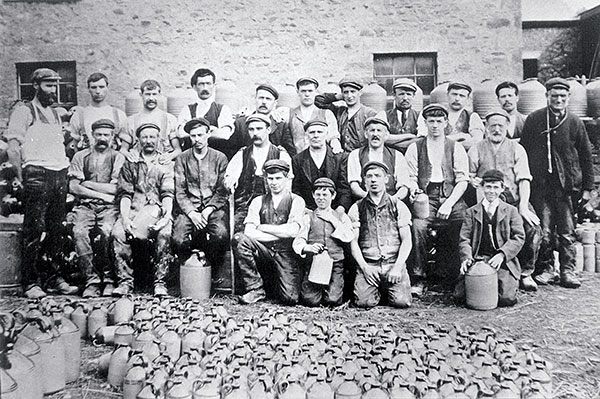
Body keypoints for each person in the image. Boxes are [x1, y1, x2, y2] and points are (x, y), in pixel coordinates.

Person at [6, 68, 78, 298]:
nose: (53, 90)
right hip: (36, 174)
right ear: (35, 85)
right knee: (34, 230)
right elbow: (13, 148)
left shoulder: (57, 114)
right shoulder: (24, 110)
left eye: (55, 85)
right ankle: (31, 282)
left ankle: (53, 277)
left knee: (57, 230)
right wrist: (19, 178)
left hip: (59, 174)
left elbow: (60, 146)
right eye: (48, 85)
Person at [520, 77, 594, 289]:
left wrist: (588, 188)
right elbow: (523, 151)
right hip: (541, 186)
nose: (558, 99)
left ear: (568, 98)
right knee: (543, 231)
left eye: (562, 96)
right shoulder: (534, 119)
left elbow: (586, 156)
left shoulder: (575, 122)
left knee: (567, 230)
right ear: (547, 97)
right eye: (554, 96)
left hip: (566, 187)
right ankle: (546, 269)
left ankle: (567, 271)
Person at [468, 109, 541, 291]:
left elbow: (524, 179)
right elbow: (468, 175)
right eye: (493, 126)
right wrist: (473, 181)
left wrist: (523, 206)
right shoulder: (476, 148)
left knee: (533, 228)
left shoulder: (517, 149)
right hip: (486, 202)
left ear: (508, 127)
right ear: (486, 127)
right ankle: (481, 268)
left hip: (513, 202)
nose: (497, 129)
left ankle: (526, 272)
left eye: (501, 126)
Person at [406, 104, 470, 296]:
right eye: (431, 121)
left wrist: (449, 203)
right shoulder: (415, 147)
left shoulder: (455, 147)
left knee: (463, 221)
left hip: (451, 195)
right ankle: (419, 277)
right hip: (427, 196)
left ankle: (452, 276)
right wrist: (415, 190)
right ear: (425, 123)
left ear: (445, 123)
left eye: (439, 121)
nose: (435, 125)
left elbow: (463, 180)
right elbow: (410, 176)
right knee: (418, 226)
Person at [112, 123, 174, 297]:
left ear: (159, 139)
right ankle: (125, 282)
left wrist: (166, 217)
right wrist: (124, 218)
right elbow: (125, 194)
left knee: (165, 233)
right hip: (134, 209)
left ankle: (160, 283)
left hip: (158, 210)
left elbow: (168, 193)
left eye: (152, 137)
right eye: (145, 137)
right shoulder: (130, 162)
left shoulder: (164, 163)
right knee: (118, 232)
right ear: (138, 140)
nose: (148, 141)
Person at [232, 159, 305, 305]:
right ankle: (255, 288)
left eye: (278, 178)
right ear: (266, 179)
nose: (274, 182)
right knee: (240, 238)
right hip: (264, 251)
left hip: (286, 253)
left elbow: (292, 231)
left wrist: (263, 227)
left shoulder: (296, 200)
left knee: (290, 298)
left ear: (287, 178)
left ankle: (274, 285)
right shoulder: (258, 201)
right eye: (270, 178)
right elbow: (249, 232)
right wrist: (280, 232)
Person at [68, 119, 125, 297]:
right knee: (79, 232)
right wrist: (102, 194)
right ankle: (91, 281)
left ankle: (108, 280)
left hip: (109, 208)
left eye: (106, 135)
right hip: (85, 207)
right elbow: (74, 187)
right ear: (92, 135)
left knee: (107, 231)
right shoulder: (80, 156)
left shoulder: (117, 157)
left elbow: (117, 189)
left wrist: (89, 184)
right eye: (98, 134)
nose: (102, 138)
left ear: (112, 136)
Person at [172, 117, 230, 289]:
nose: (197, 139)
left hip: (214, 209)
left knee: (220, 234)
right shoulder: (182, 159)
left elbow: (222, 190)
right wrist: (192, 213)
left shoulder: (220, 158)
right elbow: (180, 191)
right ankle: (189, 269)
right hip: (189, 209)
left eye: (200, 135)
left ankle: (212, 269)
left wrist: (208, 210)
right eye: (193, 136)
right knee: (178, 238)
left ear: (208, 134)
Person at [455, 169, 525, 307]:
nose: (491, 191)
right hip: (478, 259)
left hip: (502, 262)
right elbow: (465, 239)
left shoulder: (511, 211)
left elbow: (519, 237)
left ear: (502, 189)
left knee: (506, 299)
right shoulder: (471, 212)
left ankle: (509, 282)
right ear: (482, 187)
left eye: (495, 187)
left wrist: (502, 255)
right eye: (488, 187)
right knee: (460, 297)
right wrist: (466, 258)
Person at [348, 161, 413, 309]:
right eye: (369, 176)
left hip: (392, 263)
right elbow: (353, 243)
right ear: (364, 180)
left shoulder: (398, 205)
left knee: (402, 302)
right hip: (370, 265)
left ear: (386, 179)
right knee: (364, 303)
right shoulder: (357, 207)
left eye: (377, 176)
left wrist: (397, 267)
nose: (373, 180)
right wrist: (364, 267)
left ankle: (389, 288)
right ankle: (378, 289)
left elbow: (407, 240)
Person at [224, 113, 292, 233]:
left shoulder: (281, 154)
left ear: (268, 129)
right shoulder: (242, 154)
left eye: (259, 129)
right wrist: (230, 180)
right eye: (251, 129)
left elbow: (287, 188)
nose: (255, 133)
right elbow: (230, 175)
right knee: (239, 235)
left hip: (273, 206)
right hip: (246, 206)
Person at [293, 178, 354, 307]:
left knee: (332, 300)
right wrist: (307, 247)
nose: (321, 198)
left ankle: (333, 290)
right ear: (313, 195)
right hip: (314, 263)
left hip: (335, 263)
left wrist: (332, 219)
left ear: (333, 196)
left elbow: (348, 236)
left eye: (325, 195)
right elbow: (298, 240)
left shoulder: (341, 217)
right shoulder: (308, 217)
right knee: (310, 301)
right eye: (318, 195)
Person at [291, 119, 351, 212]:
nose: (316, 135)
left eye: (319, 132)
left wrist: (340, 210)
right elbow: (296, 189)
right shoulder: (298, 159)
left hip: (335, 210)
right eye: (312, 132)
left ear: (326, 134)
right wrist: (305, 210)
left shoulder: (339, 158)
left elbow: (345, 189)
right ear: (306, 136)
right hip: (308, 211)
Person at [347, 117, 411, 200]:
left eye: (379, 131)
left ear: (386, 135)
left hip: (391, 201)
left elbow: (404, 187)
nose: (375, 134)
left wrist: (392, 200)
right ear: (366, 134)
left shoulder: (397, 155)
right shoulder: (355, 154)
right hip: (365, 201)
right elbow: (354, 186)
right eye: (372, 130)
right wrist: (370, 198)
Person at [121, 80, 182, 163]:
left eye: (154, 94)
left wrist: (169, 156)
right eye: (147, 94)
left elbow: (178, 150)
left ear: (159, 95)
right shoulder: (130, 121)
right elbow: (123, 149)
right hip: (138, 164)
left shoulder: (170, 119)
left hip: (162, 165)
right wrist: (129, 155)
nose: (151, 98)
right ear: (141, 95)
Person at [176, 68, 234, 154]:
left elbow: (224, 134)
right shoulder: (187, 109)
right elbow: (181, 133)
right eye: (201, 84)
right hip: (191, 158)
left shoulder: (223, 109)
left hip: (215, 159)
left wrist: (193, 131)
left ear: (214, 86)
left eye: (208, 84)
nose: (205, 88)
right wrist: (212, 130)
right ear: (194, 87)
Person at [227, 84, 294, 158]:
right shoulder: (240, 124)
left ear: (275, 103)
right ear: (255, 99)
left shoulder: (281, 126)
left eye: (268, 99)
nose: (264, 102)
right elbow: (230, 152)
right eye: (261, 98)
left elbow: (290, 153)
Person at [315, 77, 378, 152]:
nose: (349, 95)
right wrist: (338, 97)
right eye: (346, 92)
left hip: (362, 156)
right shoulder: (339, 111)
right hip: (342, 157)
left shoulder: (369, 113)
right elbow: (318, 101)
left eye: (353, 91)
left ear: (360, 93)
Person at [417, 82, 484, 150]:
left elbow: (477, 142)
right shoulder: (433, 114)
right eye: (454, 94)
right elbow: (425, 142)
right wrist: (460, 136)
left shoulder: (472, 116)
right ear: (447, 95)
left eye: (462, 96)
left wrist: (444, 144)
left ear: (467, 99)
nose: (457, 99)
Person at [70, 72, 127, 150]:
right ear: (88, 89)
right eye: (93, 87)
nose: (98, 91)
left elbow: (124, 146)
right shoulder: (79, 116)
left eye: (101, 87)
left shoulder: (119, 115)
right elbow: (75, 147)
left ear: (107, 88)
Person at [284, 77, 341, 154]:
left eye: (310, 91)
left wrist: (336, 145)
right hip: (296, 160)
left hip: (319, 160)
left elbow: (333, 137)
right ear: (298, 92)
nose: (307, 94)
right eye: (303, 91)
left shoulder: (326, 114)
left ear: (316, 92)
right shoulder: (289, 113)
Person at [385, 78, 421, 153]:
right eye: (401, 94)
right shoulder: (384, 115)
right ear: (394, 95)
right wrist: (410, 136)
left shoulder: (420, 116)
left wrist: (392, 141)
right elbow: (381, 137)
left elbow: (422, 140)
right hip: (391, 157)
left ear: (413, 96)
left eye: (408, 94)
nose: (405, 98)